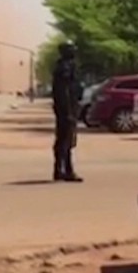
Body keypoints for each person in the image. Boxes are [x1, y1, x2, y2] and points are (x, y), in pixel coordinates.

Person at [51, 41, 83, 182]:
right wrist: (68, 111)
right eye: (72, 49)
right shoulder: (65, 67)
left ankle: (64, 170)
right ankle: (62, 170)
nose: (75, 52)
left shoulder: (65, 66)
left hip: (68, 108)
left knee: (67, 141)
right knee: (64, 141)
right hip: (66, 109)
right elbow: (64, 92)